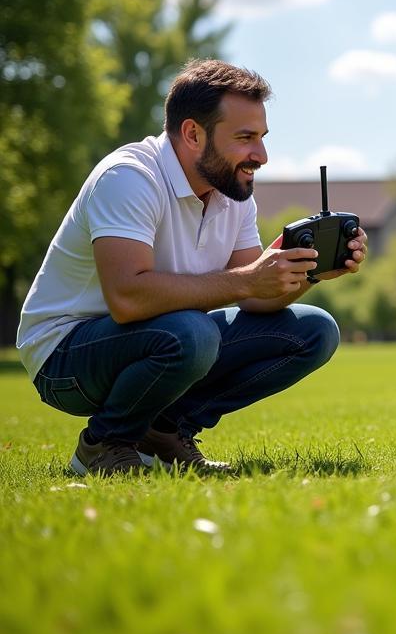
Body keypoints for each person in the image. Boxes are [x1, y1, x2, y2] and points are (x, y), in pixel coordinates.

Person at [17, 59, 367, 476]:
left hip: (164, 338)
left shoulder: (232, 194)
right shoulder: (129, 177)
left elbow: (254, 295)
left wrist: (311, 269)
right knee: (193, 333)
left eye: (262, 137)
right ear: (192, 133)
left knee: (315, 329)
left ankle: (164, 433)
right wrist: (249, 278)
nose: (262, 155)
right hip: (65, 357)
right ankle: (105, 444)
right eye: (245, 138)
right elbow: (127, 298)